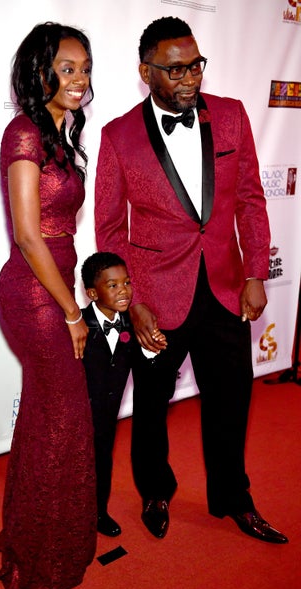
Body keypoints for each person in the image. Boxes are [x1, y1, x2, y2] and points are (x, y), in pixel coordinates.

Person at [95, 16, 288, 544]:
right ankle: (155, 491)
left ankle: (234, 497)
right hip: (155, 296)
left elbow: (250, 199)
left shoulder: (231, 116)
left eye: (196, 65)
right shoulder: (118, 136)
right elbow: (109, 229)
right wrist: (133, 301)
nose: (189, 78)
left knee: (232, 400)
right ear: (146, 72)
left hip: (225, 287)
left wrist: (255, 271)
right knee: (151, 404)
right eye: (175, 69)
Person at [0, 22, 97, 589]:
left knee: (45, 413)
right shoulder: (24, 133)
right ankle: (42, 551)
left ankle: (30, 528)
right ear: (40, 73)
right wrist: (74, 314)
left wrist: (72, 304)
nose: (79, 79)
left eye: (85, 68)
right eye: (66, 68)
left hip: (53, 289)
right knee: (63, 416)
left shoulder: (60, 132)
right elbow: (30, 237)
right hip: (35, 295)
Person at [81, 252, 165, 537]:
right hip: (79, 415)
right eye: (113, 285)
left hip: (107, 416)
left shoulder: (131, 323)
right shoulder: (79, 325)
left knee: (103, 460)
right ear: (93, 293)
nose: (124, 291)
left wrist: (151, 349)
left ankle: (98, 513)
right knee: (76, 466)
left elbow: (144, 366)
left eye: (127, 283)